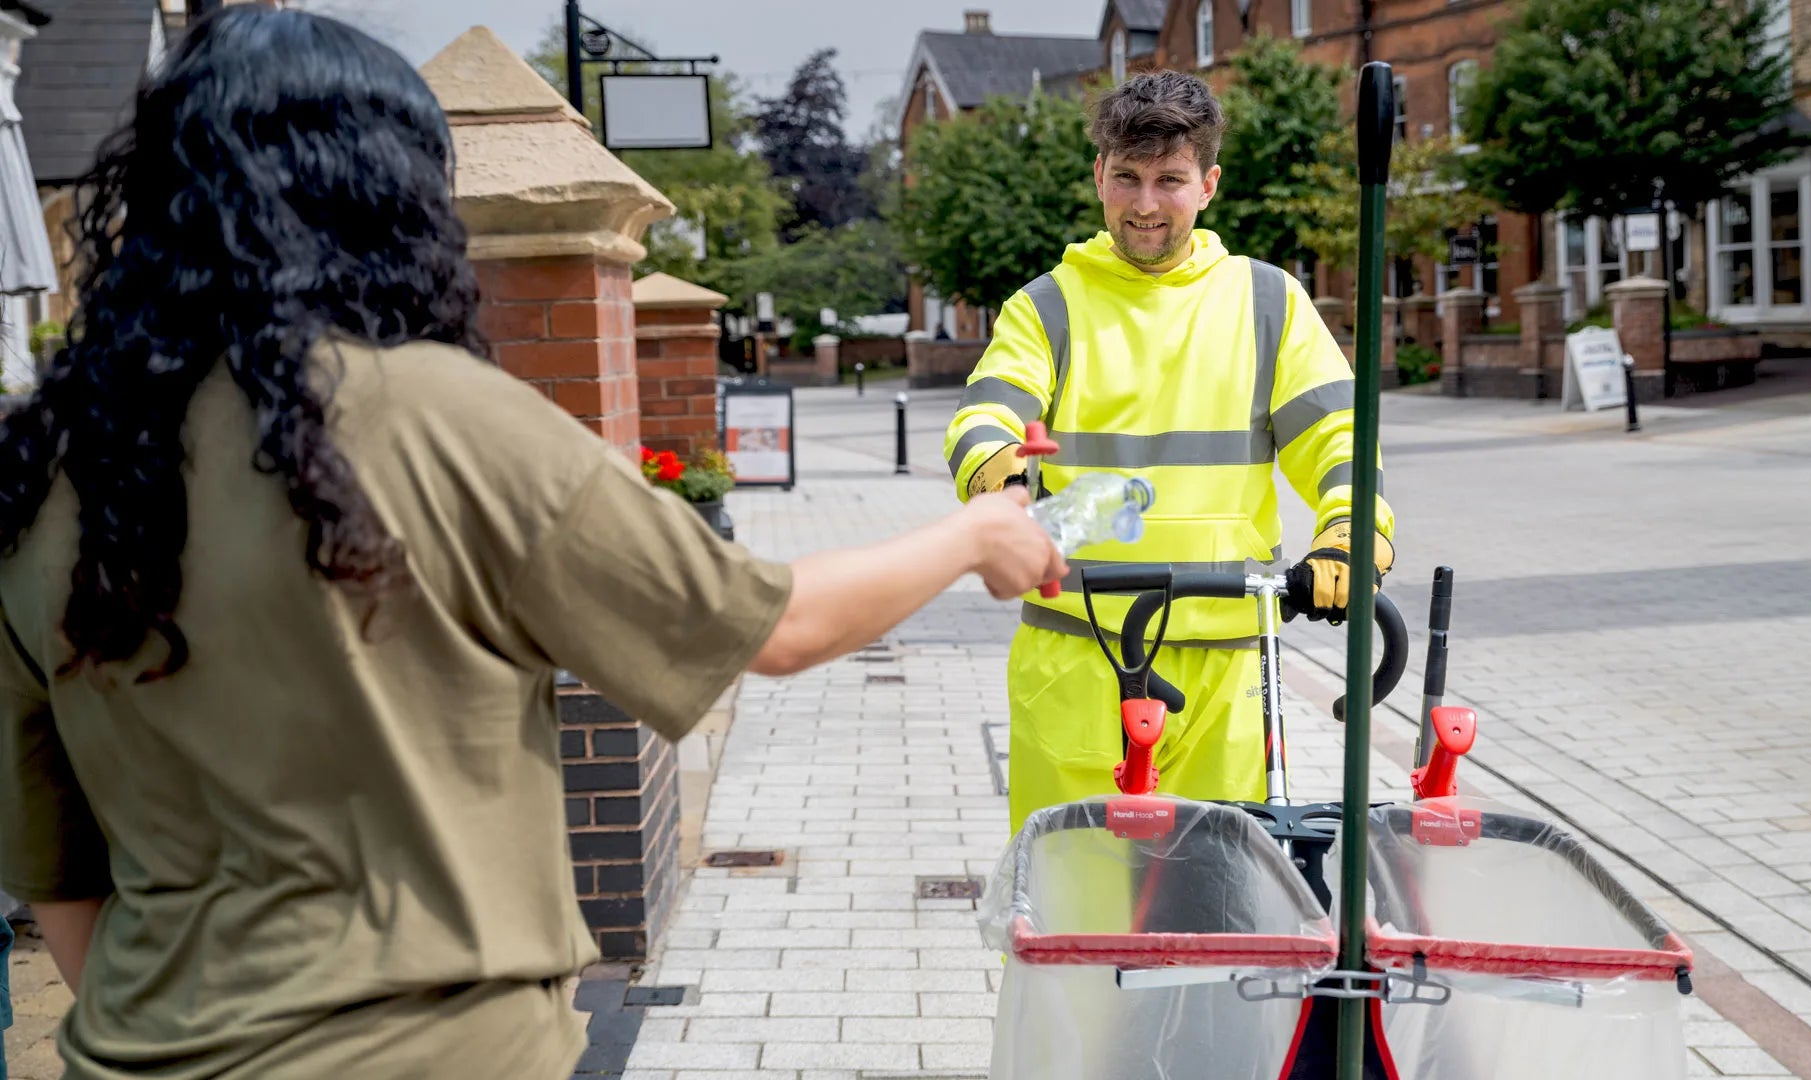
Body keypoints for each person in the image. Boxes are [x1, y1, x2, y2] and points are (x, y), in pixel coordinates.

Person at [0, 8, 1063, 1079]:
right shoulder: (448, 423)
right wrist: (975, 533)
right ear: (389, 197)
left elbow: (60, 881)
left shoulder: (45, 476)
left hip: (142, 1051)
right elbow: (775, 627)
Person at [943, 71, 1397, 834]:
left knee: (1216, 914)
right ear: (1099, 177)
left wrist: (1349, 534)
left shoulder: (1268, 303)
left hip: (1229, 664)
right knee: (1070, 914)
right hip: (1078, 655)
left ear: (1208, 184)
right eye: (1126, 178)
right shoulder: (1047, 306)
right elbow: (985, 414)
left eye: (1170, 180)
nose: (1145, 204)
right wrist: (1002, 477)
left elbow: (1338, 436)